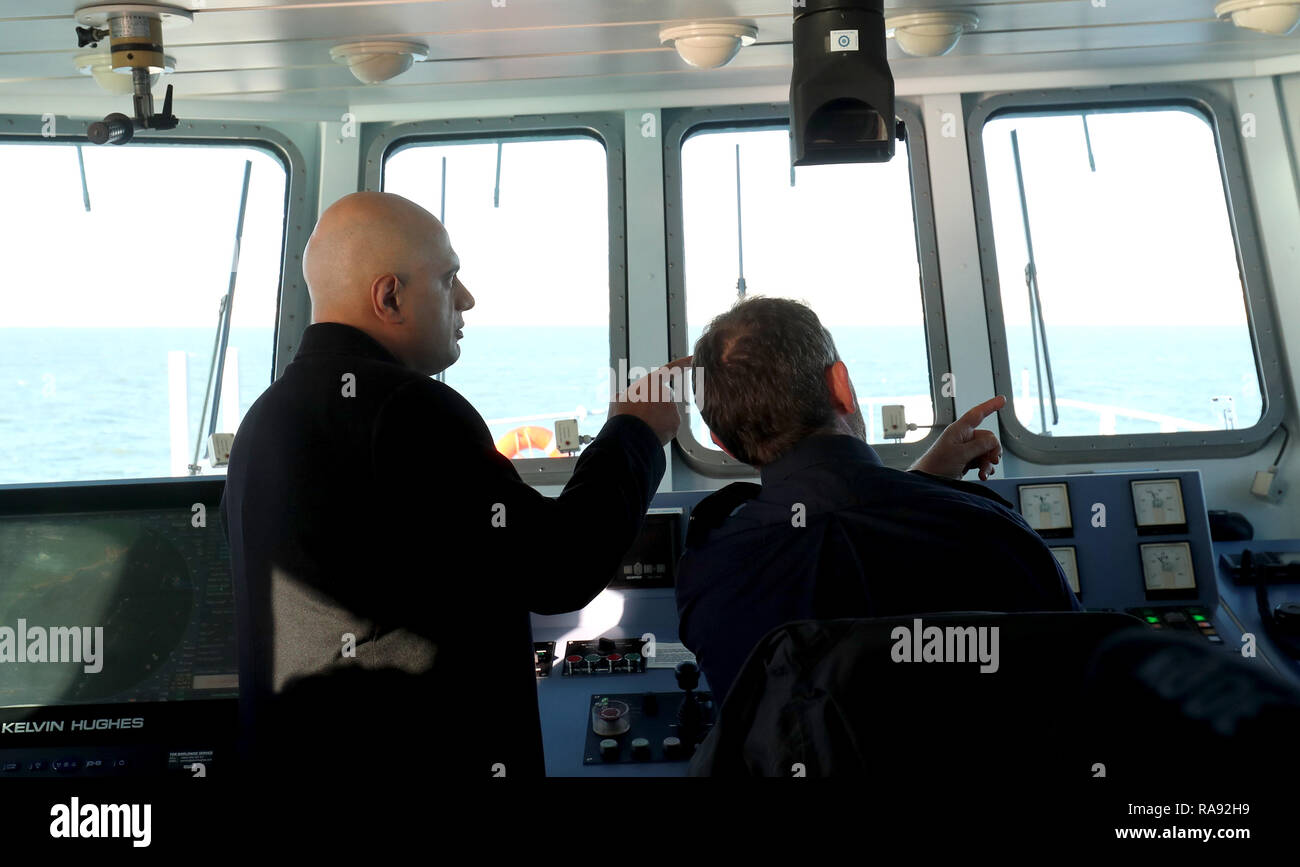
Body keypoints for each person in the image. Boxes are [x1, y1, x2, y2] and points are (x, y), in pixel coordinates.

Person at [220, 191, 685, 779]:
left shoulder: (263, 419)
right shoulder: (410, 409)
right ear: (390, 297)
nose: (466, 298)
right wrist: (635, 432)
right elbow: (561, 567)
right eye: (448, 279)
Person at [676, 297, 1080, 704]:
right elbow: (1080, 679)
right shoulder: (993, 531)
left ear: (722, 443)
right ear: (841, 386)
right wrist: (926, 491)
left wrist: (922, 483)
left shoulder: (709, 576)